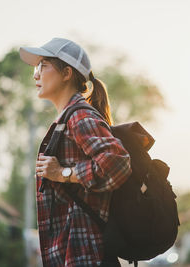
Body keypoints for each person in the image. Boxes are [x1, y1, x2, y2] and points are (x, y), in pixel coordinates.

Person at [19, 38, 132, 267]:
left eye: (43, 65)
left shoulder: (79, 116)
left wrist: (62, 173)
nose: (35, 75)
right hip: (76, 257)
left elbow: (118, 163)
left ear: (67, 73)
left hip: (88, 258)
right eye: (35, 67)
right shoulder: (67, 119)